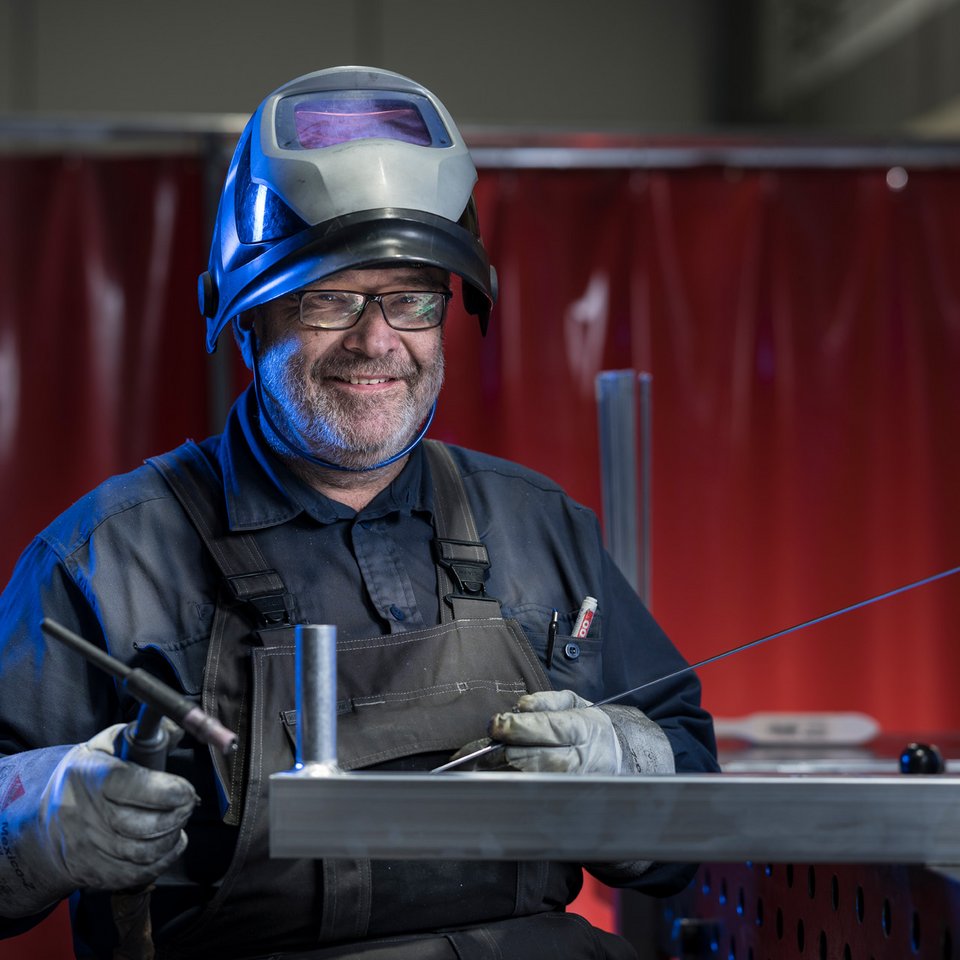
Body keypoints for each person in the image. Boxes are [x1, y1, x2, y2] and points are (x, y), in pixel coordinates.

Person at [0, 66, 718, 959]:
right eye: (328, 298)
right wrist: (37, 815)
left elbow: (692, 825)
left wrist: (633, 769)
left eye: (412, 297)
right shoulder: (103, 560)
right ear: (246, 314)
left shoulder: (538, 527)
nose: (378, 341)